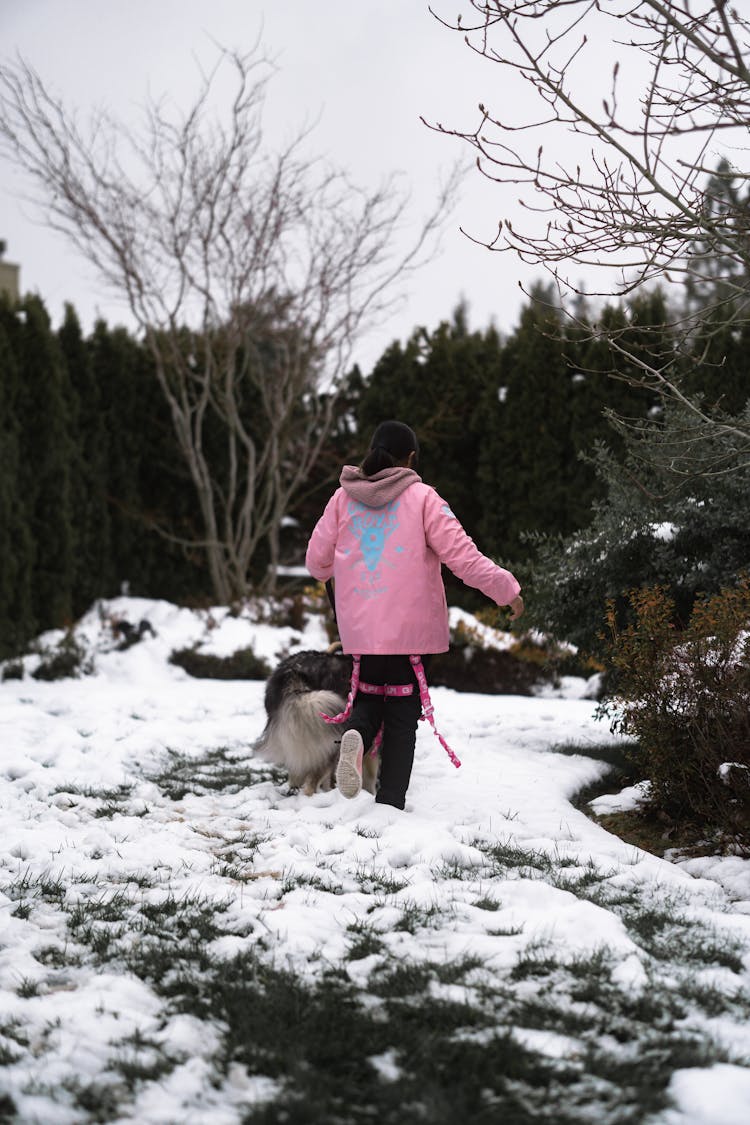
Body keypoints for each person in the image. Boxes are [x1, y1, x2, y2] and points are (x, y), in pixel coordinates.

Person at [305, 420, 524, 810]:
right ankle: (389, 805)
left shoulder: (342, 499)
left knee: (370, 698)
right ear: (410, 458)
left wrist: (337, 570)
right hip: (409, 633)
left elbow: (316, 562)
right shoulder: (423, 498)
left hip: (362, 632)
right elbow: (463, 557)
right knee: (404, 712)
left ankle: (356, 732)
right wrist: (506, 590)